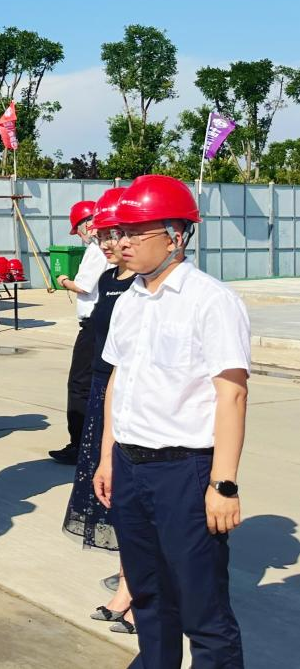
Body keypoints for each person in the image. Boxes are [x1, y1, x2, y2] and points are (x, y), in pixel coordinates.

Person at [94, 174, 250, 667]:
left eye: (135, 232)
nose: (122, 242)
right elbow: (117, 382)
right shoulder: (129, 300)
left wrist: (223, 484)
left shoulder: (211, 301)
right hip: (130, 467)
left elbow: (232, 394)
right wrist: (107, 457)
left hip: (185, 470)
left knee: (203, 606)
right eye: (119, 232)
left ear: (176, 235)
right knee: (148, 595)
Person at [61, 187, 136, 635]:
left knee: (133, 497)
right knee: (114, 495)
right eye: (102, 233)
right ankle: (130, 582)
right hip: (104, 394)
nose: (108, 242)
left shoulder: (144, 286)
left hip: (134, 401)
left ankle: (135, 588)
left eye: (116, 233)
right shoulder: (109, 281)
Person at [50, 199, 110, 464]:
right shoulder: (108, 248)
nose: (81, 236)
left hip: (93, 324)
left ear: (89, 224)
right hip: (104, 322)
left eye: (79, 230)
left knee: (80, 385)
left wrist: (63, 280)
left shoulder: (97, 250)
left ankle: (80, 445)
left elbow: (84, 286)